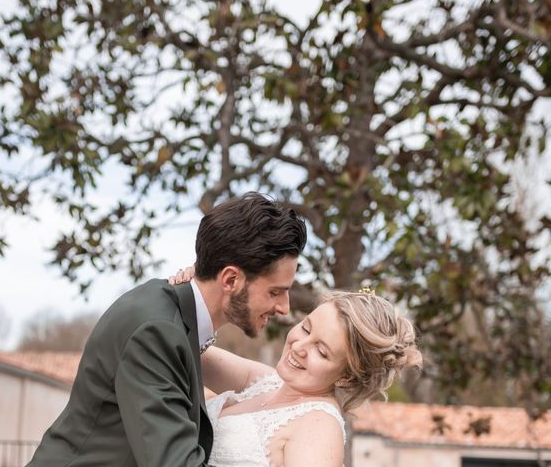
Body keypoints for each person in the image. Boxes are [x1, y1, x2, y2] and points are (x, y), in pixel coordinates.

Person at [26, 192, 307, 467]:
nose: (284, 307)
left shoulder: (174, 315)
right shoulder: (157, 330)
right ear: (231, 279)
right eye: (275, 292)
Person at [171, 269, 422, 467]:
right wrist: (194, 293)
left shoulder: (319, 428)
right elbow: (184, 346)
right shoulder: (267, 381)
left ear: (346, 377)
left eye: (321, 351)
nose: (300, 346)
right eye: (306, 328)